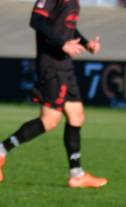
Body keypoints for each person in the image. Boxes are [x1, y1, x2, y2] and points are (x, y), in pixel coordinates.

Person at [0, 0, 107, 188]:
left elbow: (65, 29)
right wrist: (62, 44)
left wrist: (85, 43)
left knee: (76, 116)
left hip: (64, 65)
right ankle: (1, 150)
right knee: (49, 121)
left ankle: (77, 175)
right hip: (51, 65)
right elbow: (36, 21)